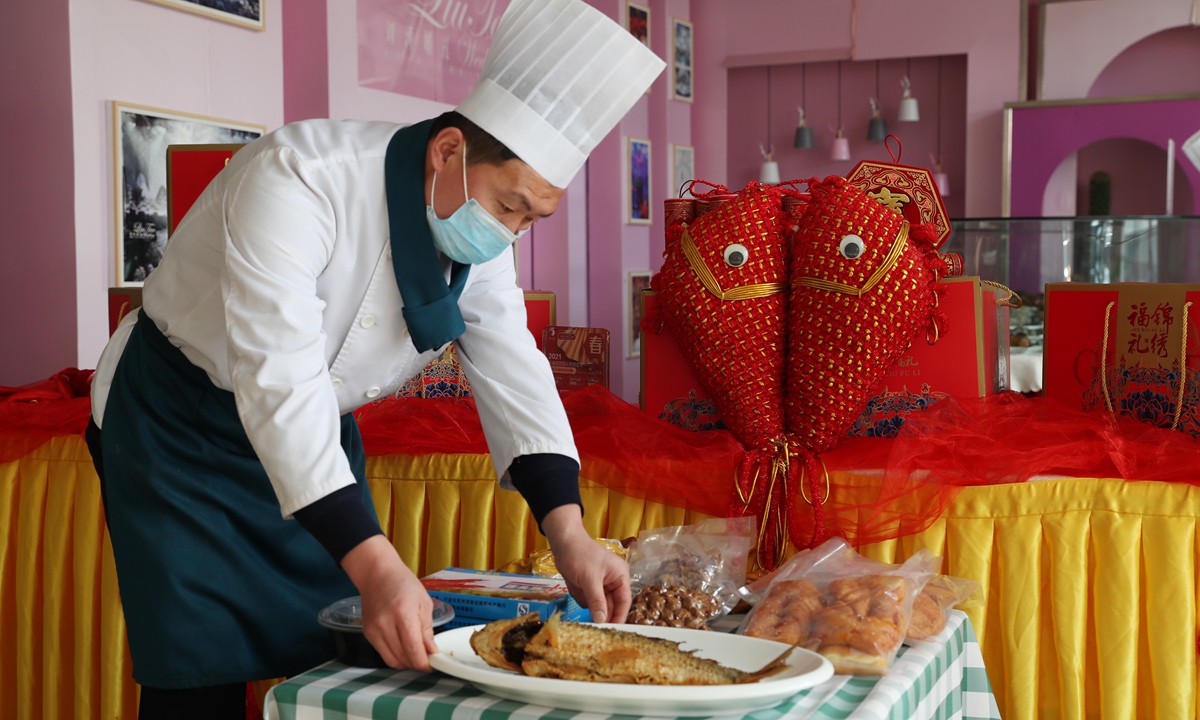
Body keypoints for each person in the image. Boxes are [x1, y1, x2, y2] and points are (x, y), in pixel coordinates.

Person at [85, 1, 664, 717]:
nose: (511, 233)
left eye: (530, 219)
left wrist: (569, 532)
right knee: (197, 671)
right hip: (180, 430)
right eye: (510, 206)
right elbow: (280, 381)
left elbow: (512, 366)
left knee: (331, 659)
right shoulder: (299, 178)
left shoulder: (474, 224)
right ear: (448, 152)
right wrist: (377, 563)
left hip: (315, 440)